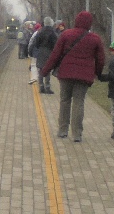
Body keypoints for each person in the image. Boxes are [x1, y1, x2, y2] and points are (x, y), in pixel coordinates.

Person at [41, 11, 105, 142]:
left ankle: (62, 130)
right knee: (79, 102)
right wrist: (98, 73)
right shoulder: (95, 39)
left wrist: (45, 70)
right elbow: (101, 59)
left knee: (65, 101)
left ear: (76, 21)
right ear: (89, 23)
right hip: (84, 76)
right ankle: (77, 134)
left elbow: (55, 54)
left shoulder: (66, 34)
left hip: (65, 74)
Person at [29, 17, 59, 94]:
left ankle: (41, 86)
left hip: (41, 52)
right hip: (49, 52)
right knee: (48, 69)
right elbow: (56, 44)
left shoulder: (40, 32)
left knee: (41, 69)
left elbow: (36, 43)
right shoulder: (53, 33)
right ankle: (48, 87)